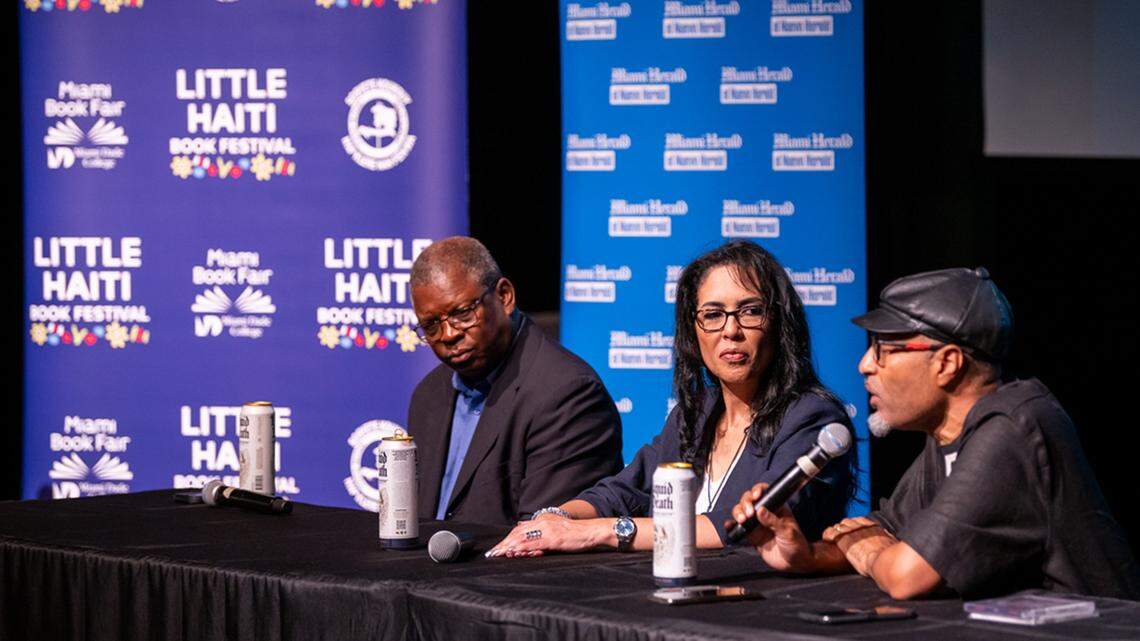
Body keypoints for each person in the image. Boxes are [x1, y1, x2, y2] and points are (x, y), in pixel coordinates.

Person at [731, 267, 1140, 600]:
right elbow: (887, 525)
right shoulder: (947, 434)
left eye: (885, 350)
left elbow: (907, 574)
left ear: (947, 364)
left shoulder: (1013, 426)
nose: (864, 365)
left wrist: (871, 548)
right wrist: (807, 555)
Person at [487, 240, 854, 558]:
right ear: (693, 333)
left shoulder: (813, 419)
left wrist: (596, 532)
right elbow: (625, 490)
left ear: (779, 322)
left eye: (750, 311)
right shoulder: (695, 414)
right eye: (712, 315)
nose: (731, 330)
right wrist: (555, 519)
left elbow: (741, 527)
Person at [407, 237, 623, 525]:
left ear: (504, 296)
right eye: (431, 325)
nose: (448, 334)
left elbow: (544, 539)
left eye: (462, 314)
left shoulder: (568, 394)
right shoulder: (428, 395)